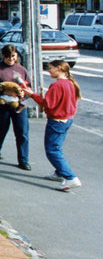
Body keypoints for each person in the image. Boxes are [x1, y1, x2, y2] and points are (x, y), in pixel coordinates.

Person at [26, 59, 82, 191]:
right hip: (67, 119)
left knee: (52, 150)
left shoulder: (57, 85)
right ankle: (59, 172)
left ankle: (71, 177)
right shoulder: (70, 83)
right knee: (57, 147)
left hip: (56, 121)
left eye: (51, 68)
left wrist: (32, 95)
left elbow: (48, 104)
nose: (49, 71)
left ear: (59, 68)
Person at [0, 44, 32, 170]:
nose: (11, 59)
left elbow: (28, 86)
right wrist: (3, 91)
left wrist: (23, 92)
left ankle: (23, 160)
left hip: (18, 105)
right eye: (8, 57)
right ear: (3, 56)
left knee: (22, 132)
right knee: (1, 129)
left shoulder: (21, 69)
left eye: (13, 56)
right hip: (1, 105)